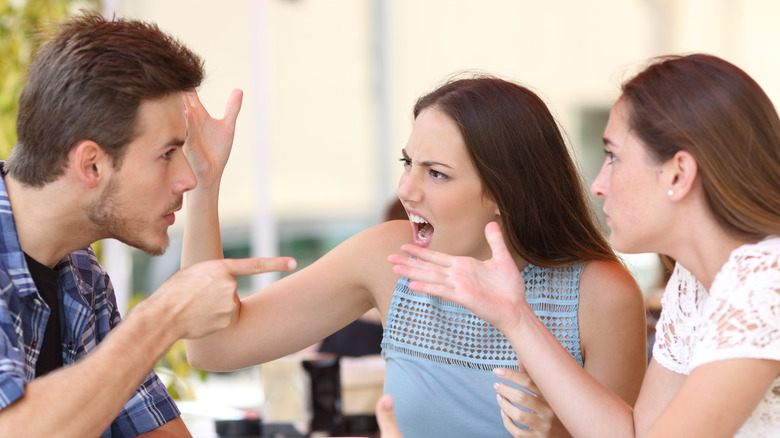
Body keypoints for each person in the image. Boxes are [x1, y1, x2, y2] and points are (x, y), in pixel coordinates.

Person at [183, 75, 648, 436]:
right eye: (408, 163)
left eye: (437, 174)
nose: (406, 189)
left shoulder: (600, 292)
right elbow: (213, 347)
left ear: (504, 192)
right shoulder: (391, 255)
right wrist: (205, 184)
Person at [389, 54, 780, 437]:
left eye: (613, 157)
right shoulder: (693, 285)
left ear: (678, 174)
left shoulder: (763, 281)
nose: (598, 184)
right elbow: (633, 433)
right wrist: (515, 316)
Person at [0, 11, 294, 437]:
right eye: (167, 153)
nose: (187, 179)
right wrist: (162, 316)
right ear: (92, 164)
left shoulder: (80, 275)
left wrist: (209, 184)